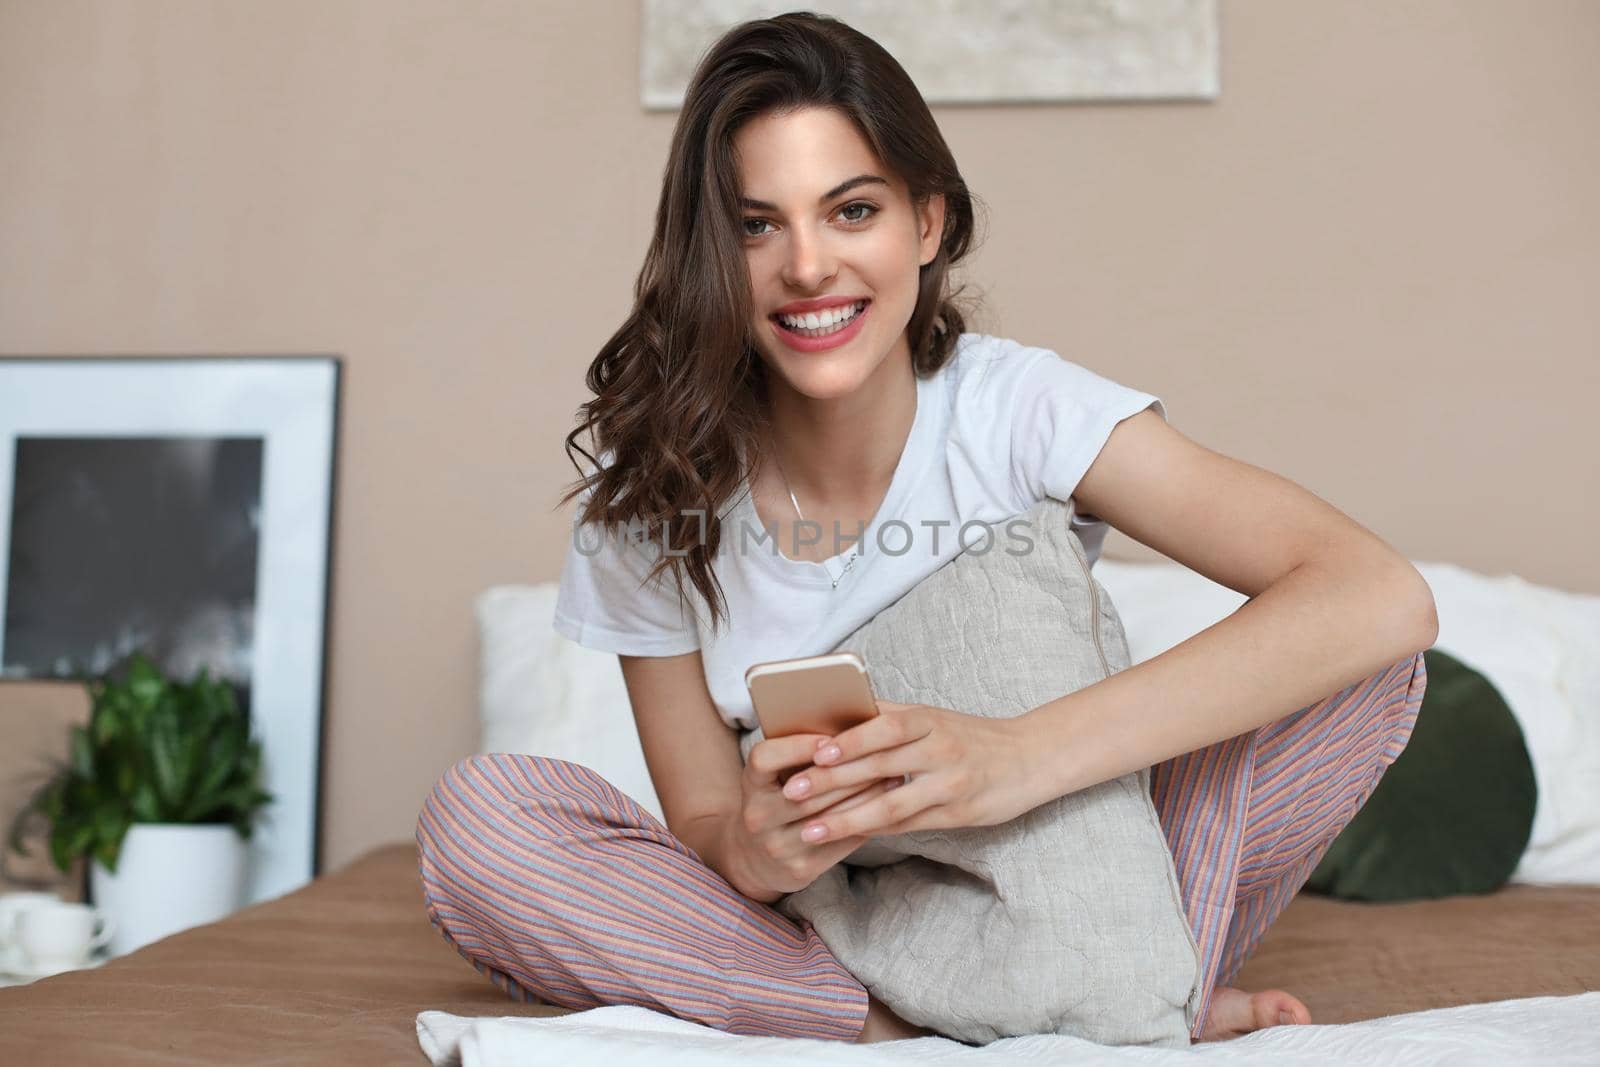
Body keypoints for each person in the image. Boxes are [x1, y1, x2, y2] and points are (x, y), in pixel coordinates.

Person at [416, 11, 1435, 1046]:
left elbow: (1377, 591)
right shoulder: (651, 504)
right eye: (755, 224)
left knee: (1365, 660)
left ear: (927, 224)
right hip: (839, 917)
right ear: (707, 253)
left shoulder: (1017, 408)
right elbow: (706, 822)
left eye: (851, 210)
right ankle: (973, 1008)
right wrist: (755, 850)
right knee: (483, 822)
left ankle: (1080, 974)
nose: (807, 265)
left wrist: (1016, 754)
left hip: (1069, 846)